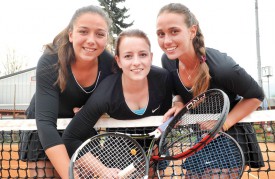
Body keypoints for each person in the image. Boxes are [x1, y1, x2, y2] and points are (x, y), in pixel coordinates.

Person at [156, 2, 265, 178]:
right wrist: (178, 102)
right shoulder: (168, 61)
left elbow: (257, 96)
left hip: (232, 134)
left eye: (174, 31)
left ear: (192, 31)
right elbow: (177, 89)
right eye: (161, 34)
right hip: (202, 136)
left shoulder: (222, 67)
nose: (166, 41)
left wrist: (223, 123)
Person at [62, 29, 172, 178]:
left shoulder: (163, 79)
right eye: (128, 56)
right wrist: (102, 170)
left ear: (151, 57)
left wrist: (155, 150)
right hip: (117, 148)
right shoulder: (106, 94)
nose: (136, 62)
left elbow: (162, 120)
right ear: (118, 61)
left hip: (152, 144)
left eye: (143, 54)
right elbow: (70, 138)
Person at [20, 5, 114, 178]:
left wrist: (177, 98)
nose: (91, 40)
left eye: (100, 34)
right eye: (83, 32)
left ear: (107, 38)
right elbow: (46, 124)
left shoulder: (110, 65)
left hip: (80, 125)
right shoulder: (50, 60)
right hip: (44, 124)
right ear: (71, 34)